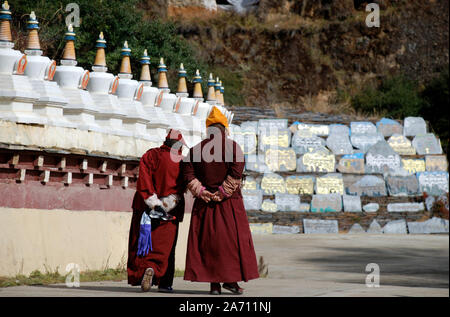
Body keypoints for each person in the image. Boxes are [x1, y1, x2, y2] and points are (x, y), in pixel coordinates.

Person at [182, 106, 259, 295]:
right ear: (225, 129)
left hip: (205, 204)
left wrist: (202, 192)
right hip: (229, 204)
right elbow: (236, 171)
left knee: (209, 244)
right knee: (231, 244)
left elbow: (188, 174)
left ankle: (215, 285)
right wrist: (222, 193)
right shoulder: (233, 147)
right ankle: (230, 281)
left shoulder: (196, 150)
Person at [127, 129, 186, 292]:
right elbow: (180, 189)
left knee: (142, 242)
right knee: (166, 247)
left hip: (144, 208)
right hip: (170, 212)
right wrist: (166, 204)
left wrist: (153, 203)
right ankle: (164, 282)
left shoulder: (150, 155)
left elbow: (144, 181)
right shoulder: (181, 162)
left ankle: (144, 271)